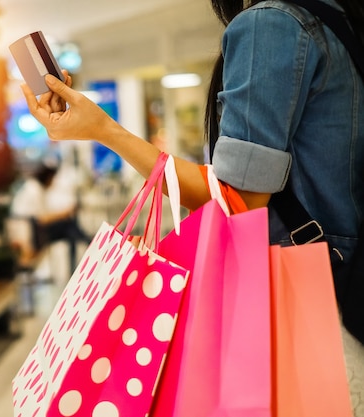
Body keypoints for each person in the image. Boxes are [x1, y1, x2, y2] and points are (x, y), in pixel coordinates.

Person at [19, 0, 364, 412]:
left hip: (304, 307)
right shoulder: (340, 20)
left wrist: (102, 129)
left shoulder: (271, 24)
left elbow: (237, 201)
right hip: (343, 282)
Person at [10, 159, 90, 273]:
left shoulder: (31, 187)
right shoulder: (35, 190)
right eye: (53, 179)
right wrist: (66, 213)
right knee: (68, 226)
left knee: (68, 226)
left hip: (26, 226)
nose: (53, 183)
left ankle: (88, 243)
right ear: (48, 178)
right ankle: (90, 243)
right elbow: (43, 218)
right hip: (29, 228)